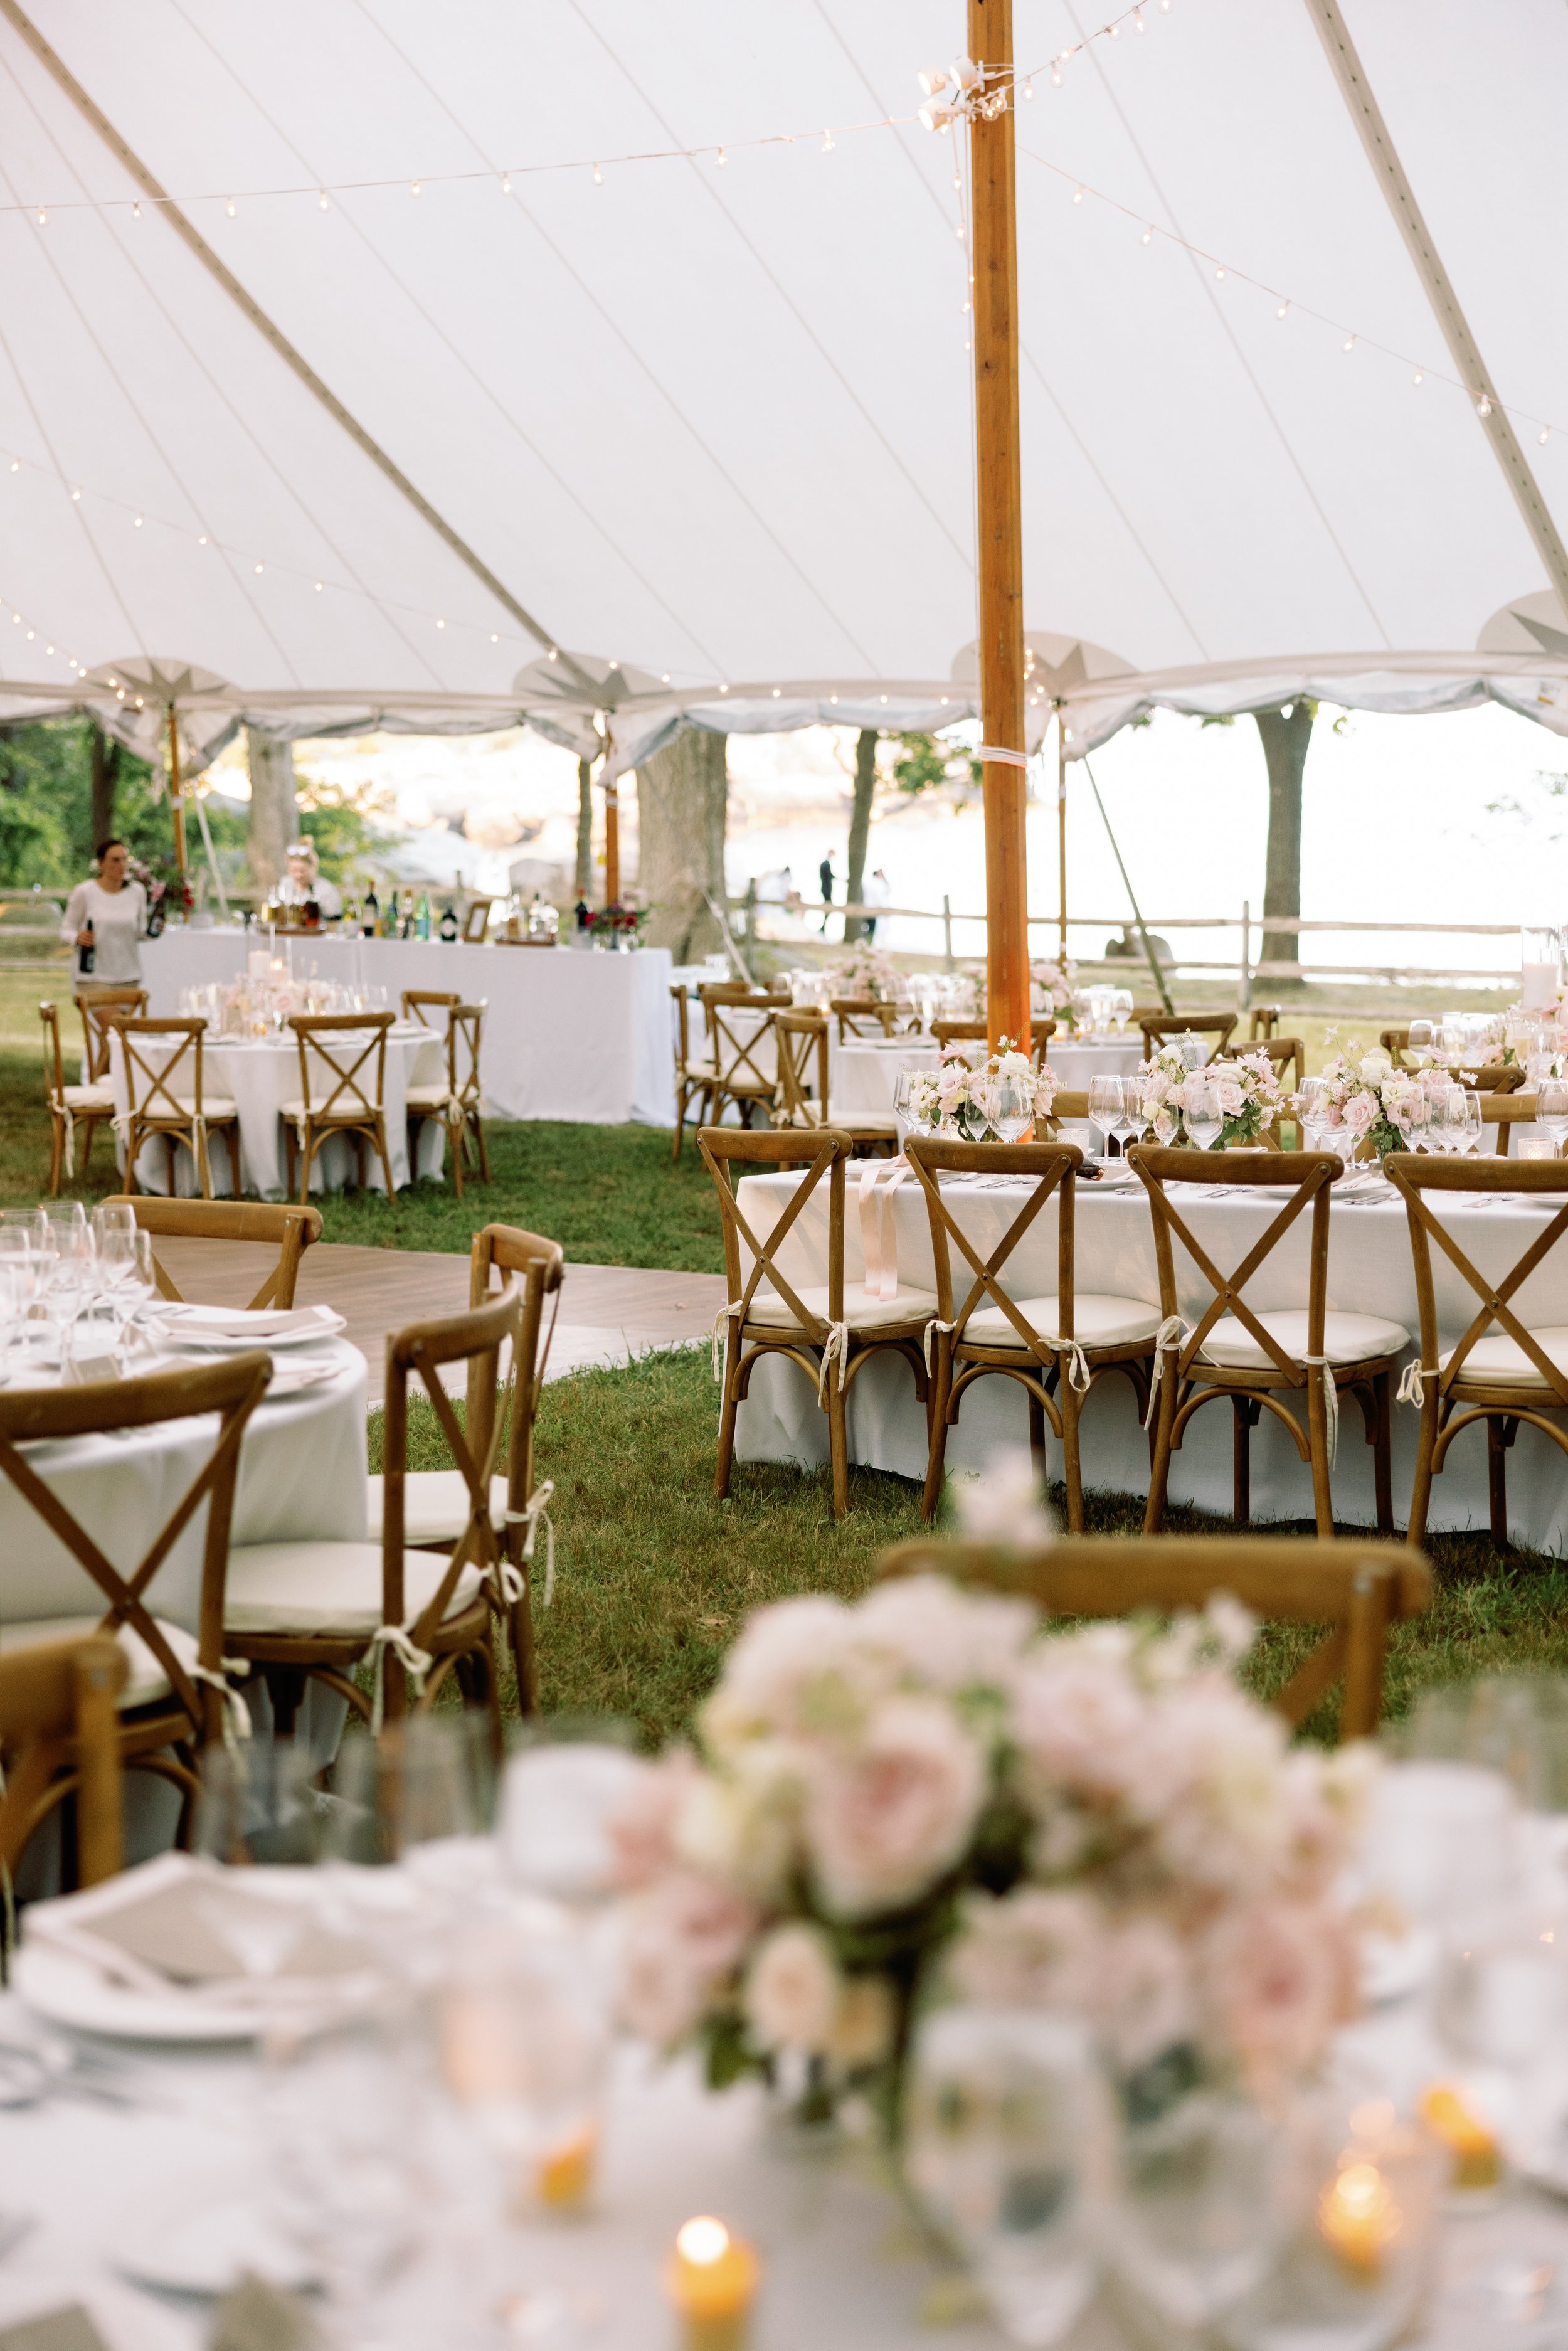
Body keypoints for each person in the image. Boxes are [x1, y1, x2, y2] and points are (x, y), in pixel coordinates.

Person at [60, 837, 147, 990]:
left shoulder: (137, 891)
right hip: (93, 976)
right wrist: (77, 937)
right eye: (115, 860)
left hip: (128, 975)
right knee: (114, 1017)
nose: (122, 866)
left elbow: (141, 932)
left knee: (125, 1016)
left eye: (124, 860)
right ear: (101, 863)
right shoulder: (85, 892)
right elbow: (65, 929)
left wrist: (156, 929)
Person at [275, 839, 342, 920]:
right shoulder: (284, 884)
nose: (298, 875)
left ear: (313, 868)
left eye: (303, 871)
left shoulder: (326, 889)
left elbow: (334, 919)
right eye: (294, 871)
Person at [863, 866, 891, 943]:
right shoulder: (876, 884)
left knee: (869, 927)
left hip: (870, 907)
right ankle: (869, 942)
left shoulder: (873, 883)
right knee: (871, 927)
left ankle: (869, 942)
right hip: (874, 908)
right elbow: (880, 897)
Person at [819, 852, 834, 933]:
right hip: (826, 889)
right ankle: (823, 927)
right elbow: (828, 876)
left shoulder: (825, 864)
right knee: (828, 908)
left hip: (826, 889)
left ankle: (823, 927)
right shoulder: (826, 864)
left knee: (828, 908)